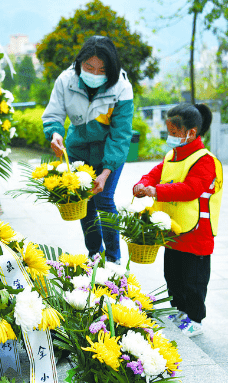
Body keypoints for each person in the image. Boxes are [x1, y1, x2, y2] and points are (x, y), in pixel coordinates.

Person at [133, 103, 223, 337]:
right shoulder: (173, 155)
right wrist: (143, 183)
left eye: (174, 133)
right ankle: (180, 310)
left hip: (196, 232)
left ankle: (195, 318)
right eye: (169, 132)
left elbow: (191, 189)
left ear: (191, 133)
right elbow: (156, 173)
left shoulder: (205, 160)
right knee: (173, 275)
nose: (170, 138)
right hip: (174, 230)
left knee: (194, 279)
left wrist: (157, 191)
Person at [42, 35, 134, 264]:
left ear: (111, 68)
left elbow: (120, 135)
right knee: (85, 202)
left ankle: (114, 261)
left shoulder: (121, 88)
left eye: (101, 69)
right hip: (78, 149)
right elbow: (54, 113)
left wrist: (106, 171)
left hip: (108, 152)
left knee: (103, 199)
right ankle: (94, 253)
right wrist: (55, 134)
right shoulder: (66, 81)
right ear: (79, 63)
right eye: (88, 67)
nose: (94, 73)